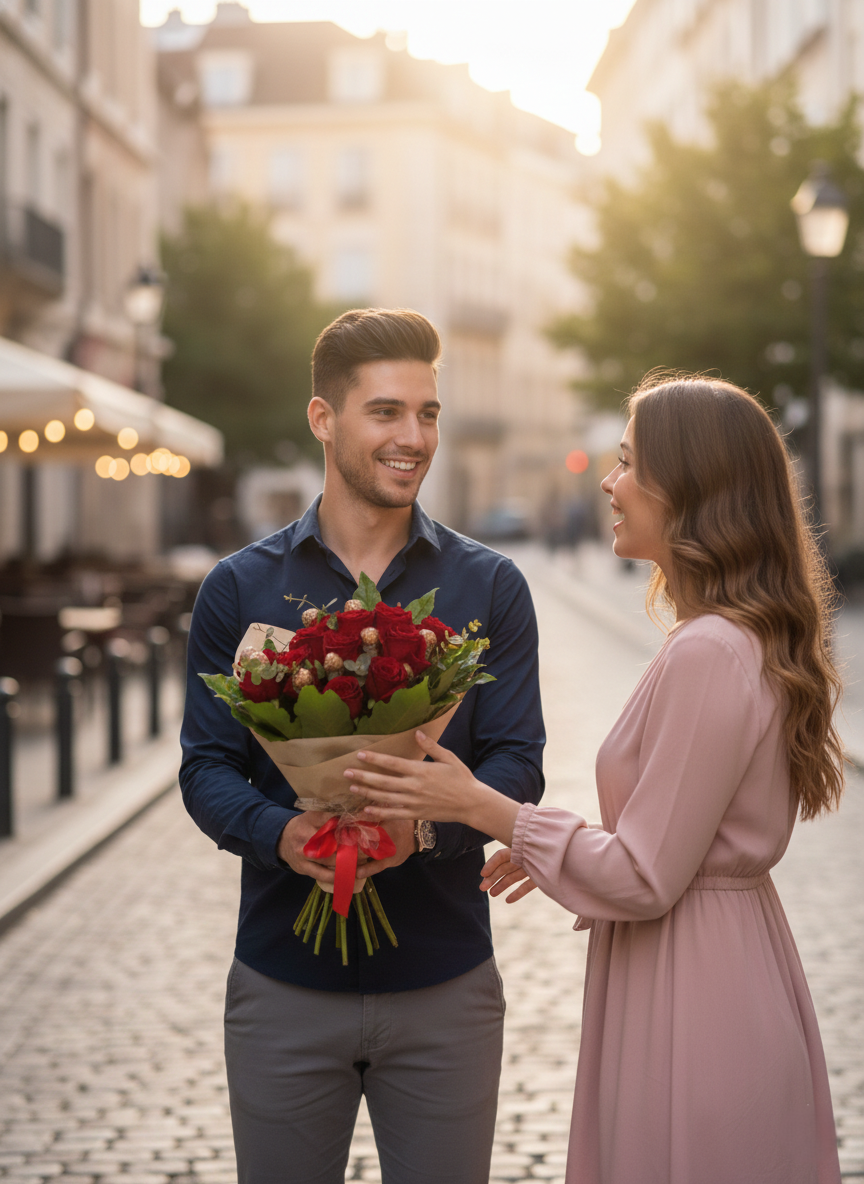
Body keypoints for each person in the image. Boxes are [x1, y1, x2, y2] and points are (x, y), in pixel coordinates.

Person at [347, 375, 845, 1184]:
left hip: (697, 995)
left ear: (690, 487)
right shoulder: (720, 641)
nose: (608, 484)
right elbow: (673, 842)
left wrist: (488, 809)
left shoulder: (709, 652)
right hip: (714, 963)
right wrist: (555, 845)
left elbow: (645, 875)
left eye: (628, 463)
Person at [179, 307, 545, 1184]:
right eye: (386, 412)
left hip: (446, 987)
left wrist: (420, 827)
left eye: (427, 414)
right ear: (325, 419)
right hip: (282, 986)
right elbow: (206, 766)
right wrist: (284, 836)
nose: (412, 437)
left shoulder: (489, 585)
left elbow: (516, 759)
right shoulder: (240, 588)